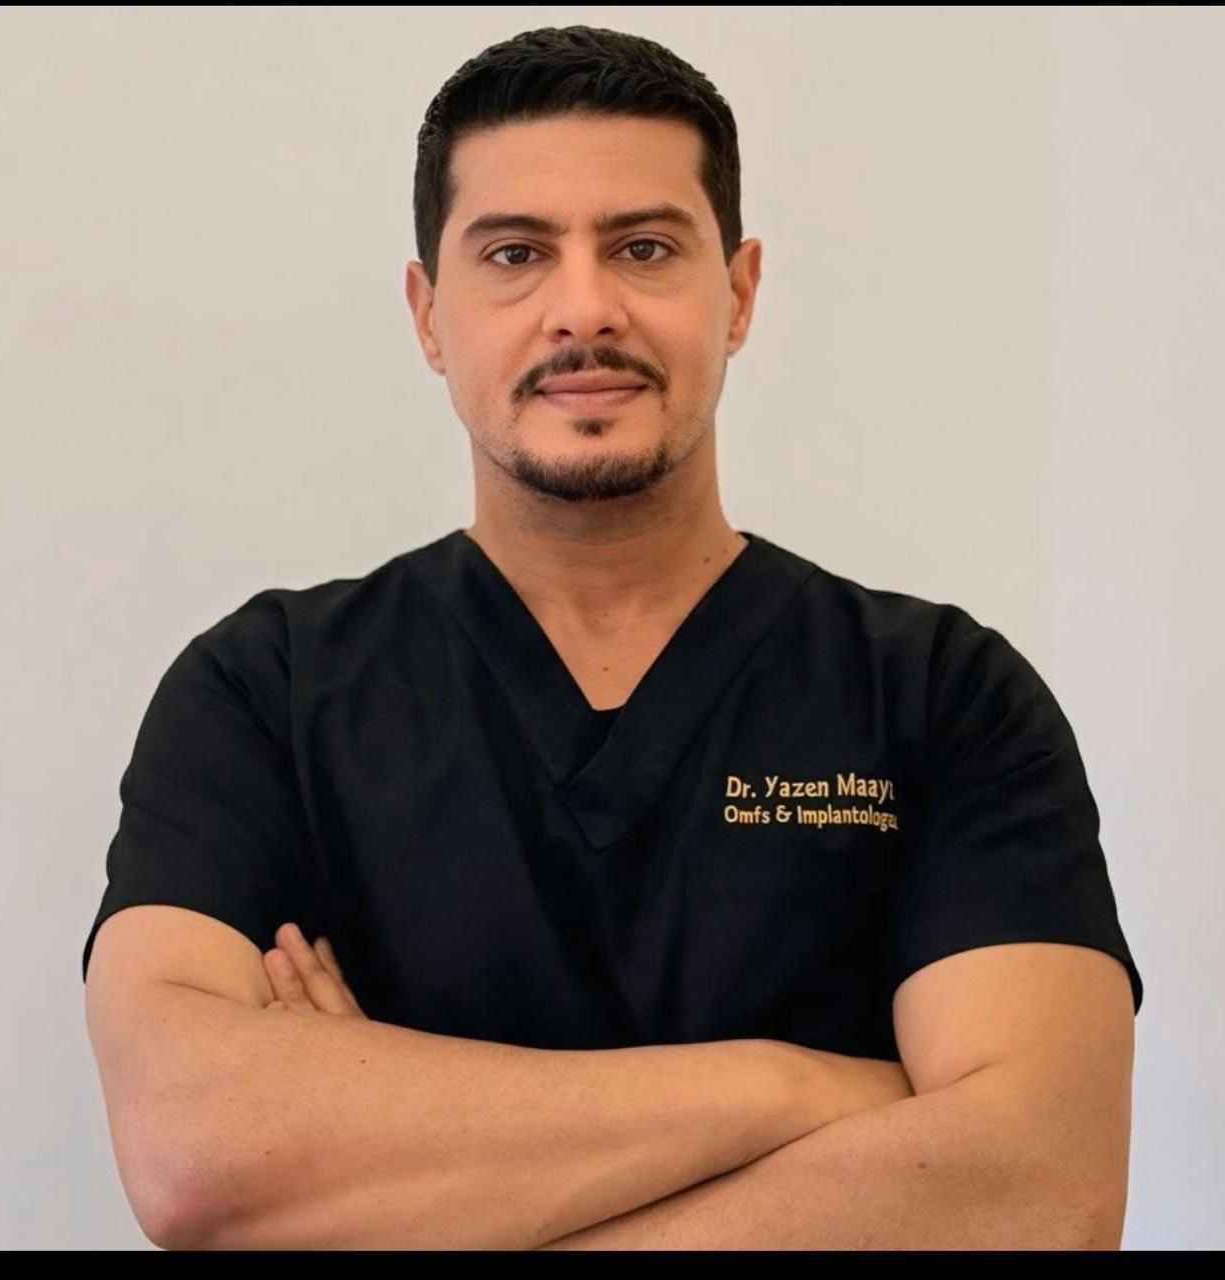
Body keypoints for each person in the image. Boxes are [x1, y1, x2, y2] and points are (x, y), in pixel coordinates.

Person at [82, 25, 1142, 1251]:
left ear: (737, 293)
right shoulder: (265, 691)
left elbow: (1038, 1190)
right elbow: (196, 1150)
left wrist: (390, 1154)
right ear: (429, 315)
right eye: (515, 254)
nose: (582, 309)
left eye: (643, 248)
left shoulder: (942, 697)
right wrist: (796, 1085)